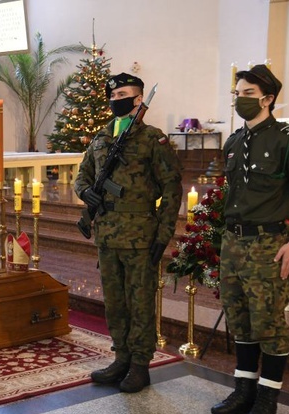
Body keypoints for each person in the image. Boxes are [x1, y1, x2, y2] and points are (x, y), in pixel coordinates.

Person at [211, 65, 289, 414]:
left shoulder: (288, 141)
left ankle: (268, 399)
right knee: (240, 320)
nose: (240, 99)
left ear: (268, 99)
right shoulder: (234, 142)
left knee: (269, 324)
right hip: (233, 242)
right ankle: (244, 391)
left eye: (248, 93)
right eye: (237, 92)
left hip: (268, 243)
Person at [74, 73, 183, 393]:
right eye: (113, 93)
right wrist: (86, 194)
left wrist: (164, 235)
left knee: (140, 302)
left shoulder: (153, 139)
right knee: (116, 302)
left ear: (139, 99)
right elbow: (81, 177)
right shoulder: (101, 137)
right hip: (107, 235)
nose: (115, 98)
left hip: (140, 236)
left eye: (122, 93)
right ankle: (121, 357)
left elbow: (172, 189)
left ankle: (139, 365)